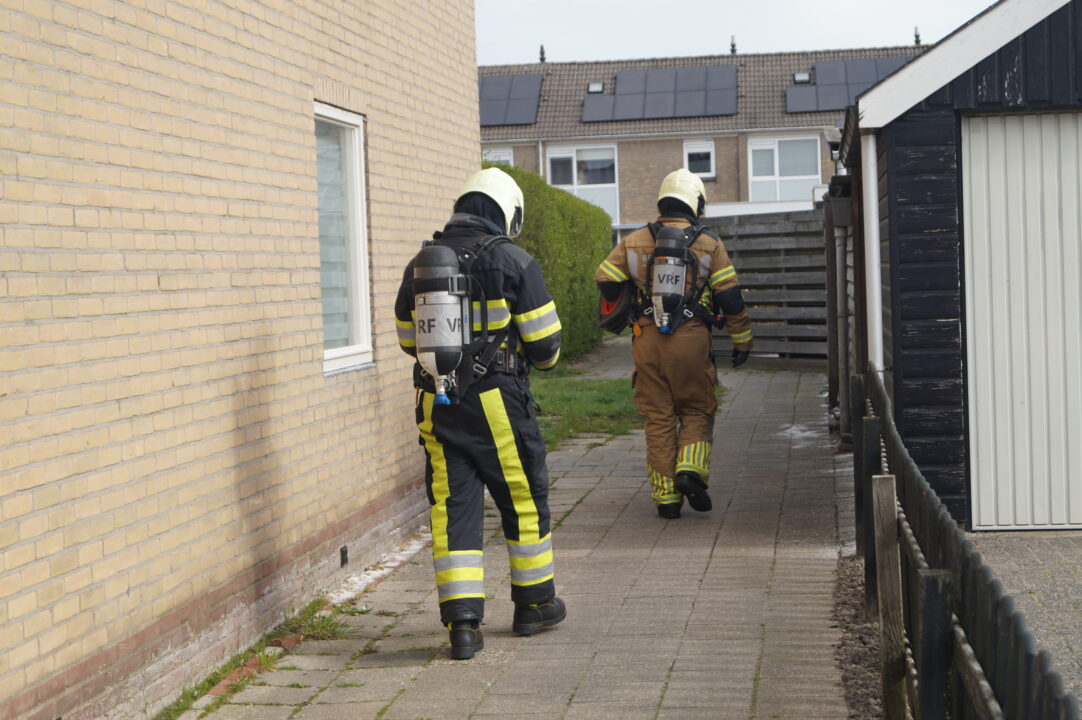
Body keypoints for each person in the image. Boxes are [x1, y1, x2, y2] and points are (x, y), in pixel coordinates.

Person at [394, 167, 566, 659]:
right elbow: (546, 349)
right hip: (497, 402)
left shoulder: (420, 265)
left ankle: (463, 625)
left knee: (453, 507)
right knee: (522, 497)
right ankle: (534, 605)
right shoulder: (513, 260)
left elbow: (408, 341)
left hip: (438, 400)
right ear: (506, 213)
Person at [594, 169, 752, 519]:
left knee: (658, 417)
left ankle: (666, 499)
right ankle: (690, 471)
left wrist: (629, 301)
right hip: (692, 339)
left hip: (647, 338)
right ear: (696, 203)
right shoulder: (709, 244)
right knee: (696, 408)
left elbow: (605, 276)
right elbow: (730, 297)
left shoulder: (634, 240)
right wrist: (742, 340)